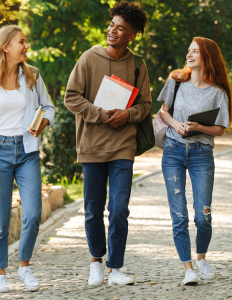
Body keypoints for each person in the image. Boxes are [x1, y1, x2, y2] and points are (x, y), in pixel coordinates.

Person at [64, 1, 151, 286]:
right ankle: (96, 262)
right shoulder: (89, 58)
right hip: (91, 146)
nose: (112, 31)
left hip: (123, 146)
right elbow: (72, 98)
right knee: (93, 208)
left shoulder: (138, 64)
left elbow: (146, 105)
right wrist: (101, 115)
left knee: (119, 209)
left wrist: (128, 114)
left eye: (120, 28)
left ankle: (115, 268)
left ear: (132, 35)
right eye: (112, 25)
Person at [0, 25, 55, 293]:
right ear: (6, 46)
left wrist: (41, 125)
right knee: (1, 219)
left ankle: (24, 267)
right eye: (21, 42)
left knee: (32, 214)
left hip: (27, 152)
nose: (26, 46)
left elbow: (49, 107)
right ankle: (0, 274)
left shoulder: (32, 76)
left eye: (25, 41)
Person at [157, 37, 232, 286]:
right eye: (188, 50)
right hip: (173, 150)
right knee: (178, 215)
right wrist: (176, 124)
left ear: (207, 56)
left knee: (203, 216)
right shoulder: (176, 81)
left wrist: (199, 126)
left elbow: (220, 129)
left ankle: (201, 258)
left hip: (202, 154)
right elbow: (163, 113)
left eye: (195, 51)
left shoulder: (218, 92)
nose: (189, 54)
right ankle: (187, 268)